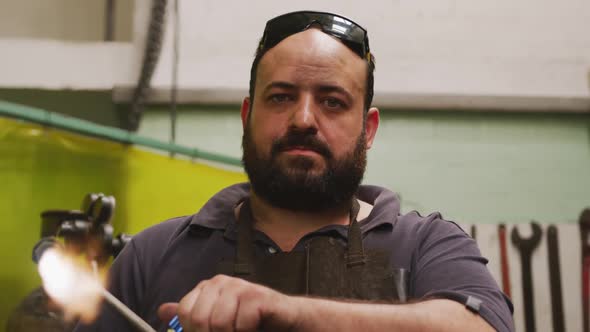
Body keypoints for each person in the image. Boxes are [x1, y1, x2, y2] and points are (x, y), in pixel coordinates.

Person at [75, 10, 514, 332]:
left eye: (332, 101)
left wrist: (283, 310)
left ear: (368, 129)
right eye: (281, 97)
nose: (304, 119)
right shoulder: (153, 256)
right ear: (248, 115)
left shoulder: (425, 246)